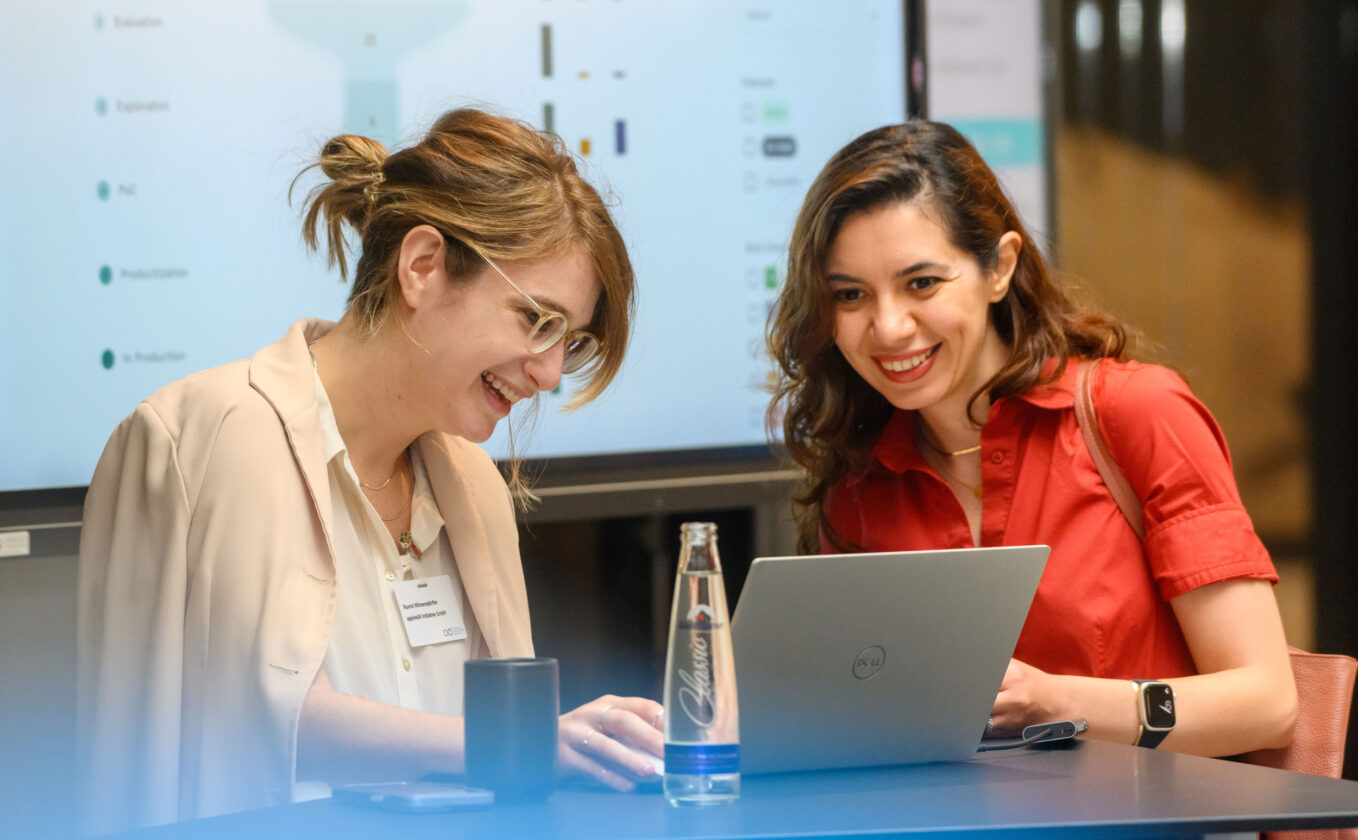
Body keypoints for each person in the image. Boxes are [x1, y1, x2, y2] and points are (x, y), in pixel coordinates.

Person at [76, 108, 662, 835]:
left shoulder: (473, 485)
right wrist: (532, 739)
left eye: (568, 344)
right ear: (422, 266)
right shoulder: (222, 428)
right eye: (537, 320)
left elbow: (505, 767)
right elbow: (262, 719)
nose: (547, 374)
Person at [767, 120, 1297, 757]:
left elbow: (1268, 702)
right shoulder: (859, 483)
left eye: (922, 283)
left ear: (1000, 268)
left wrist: (1061, 703)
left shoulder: (1135, 412)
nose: (888, 326)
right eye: (849, 295)